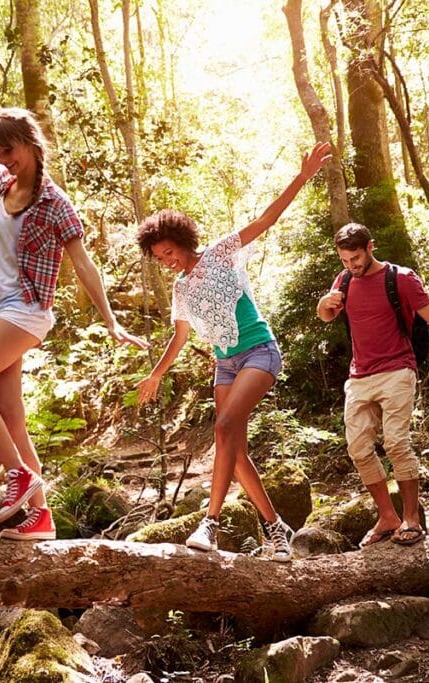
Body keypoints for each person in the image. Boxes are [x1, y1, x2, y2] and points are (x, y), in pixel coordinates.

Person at [0, 108, 148, 541]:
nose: (3, 159)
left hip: (26, 310)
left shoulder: (55, 203)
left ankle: (18, 475)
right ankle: (41, 518)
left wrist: (111, 321)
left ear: (31, 143)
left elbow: (83, 264)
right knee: (13, 417)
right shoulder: (2, 181)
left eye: (9, 150)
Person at [134, 142, 332, 562]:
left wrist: (303, 175)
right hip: (226, 363)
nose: (166, 261)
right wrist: (156, 374)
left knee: (224, 427)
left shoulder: (222, 253)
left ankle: (211, 521)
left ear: (183, 241)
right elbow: (181, 336)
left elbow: (267, 219)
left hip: (259, 351)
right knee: (235, 451)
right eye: (158, 258)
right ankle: (276, 528)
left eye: (168, 252)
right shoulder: (180, 288)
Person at [316, 223, 429, 548]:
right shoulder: (345, 280)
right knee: (358, 448)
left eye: (355, 258)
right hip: (359, 375)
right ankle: (387, 516)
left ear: (370, 247)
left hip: (397, 369)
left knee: (396, 443)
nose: (351, 266)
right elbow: (326, 315)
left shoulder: (402, 278)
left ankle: (411, 517)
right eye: (344, 260)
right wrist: (324, 304)